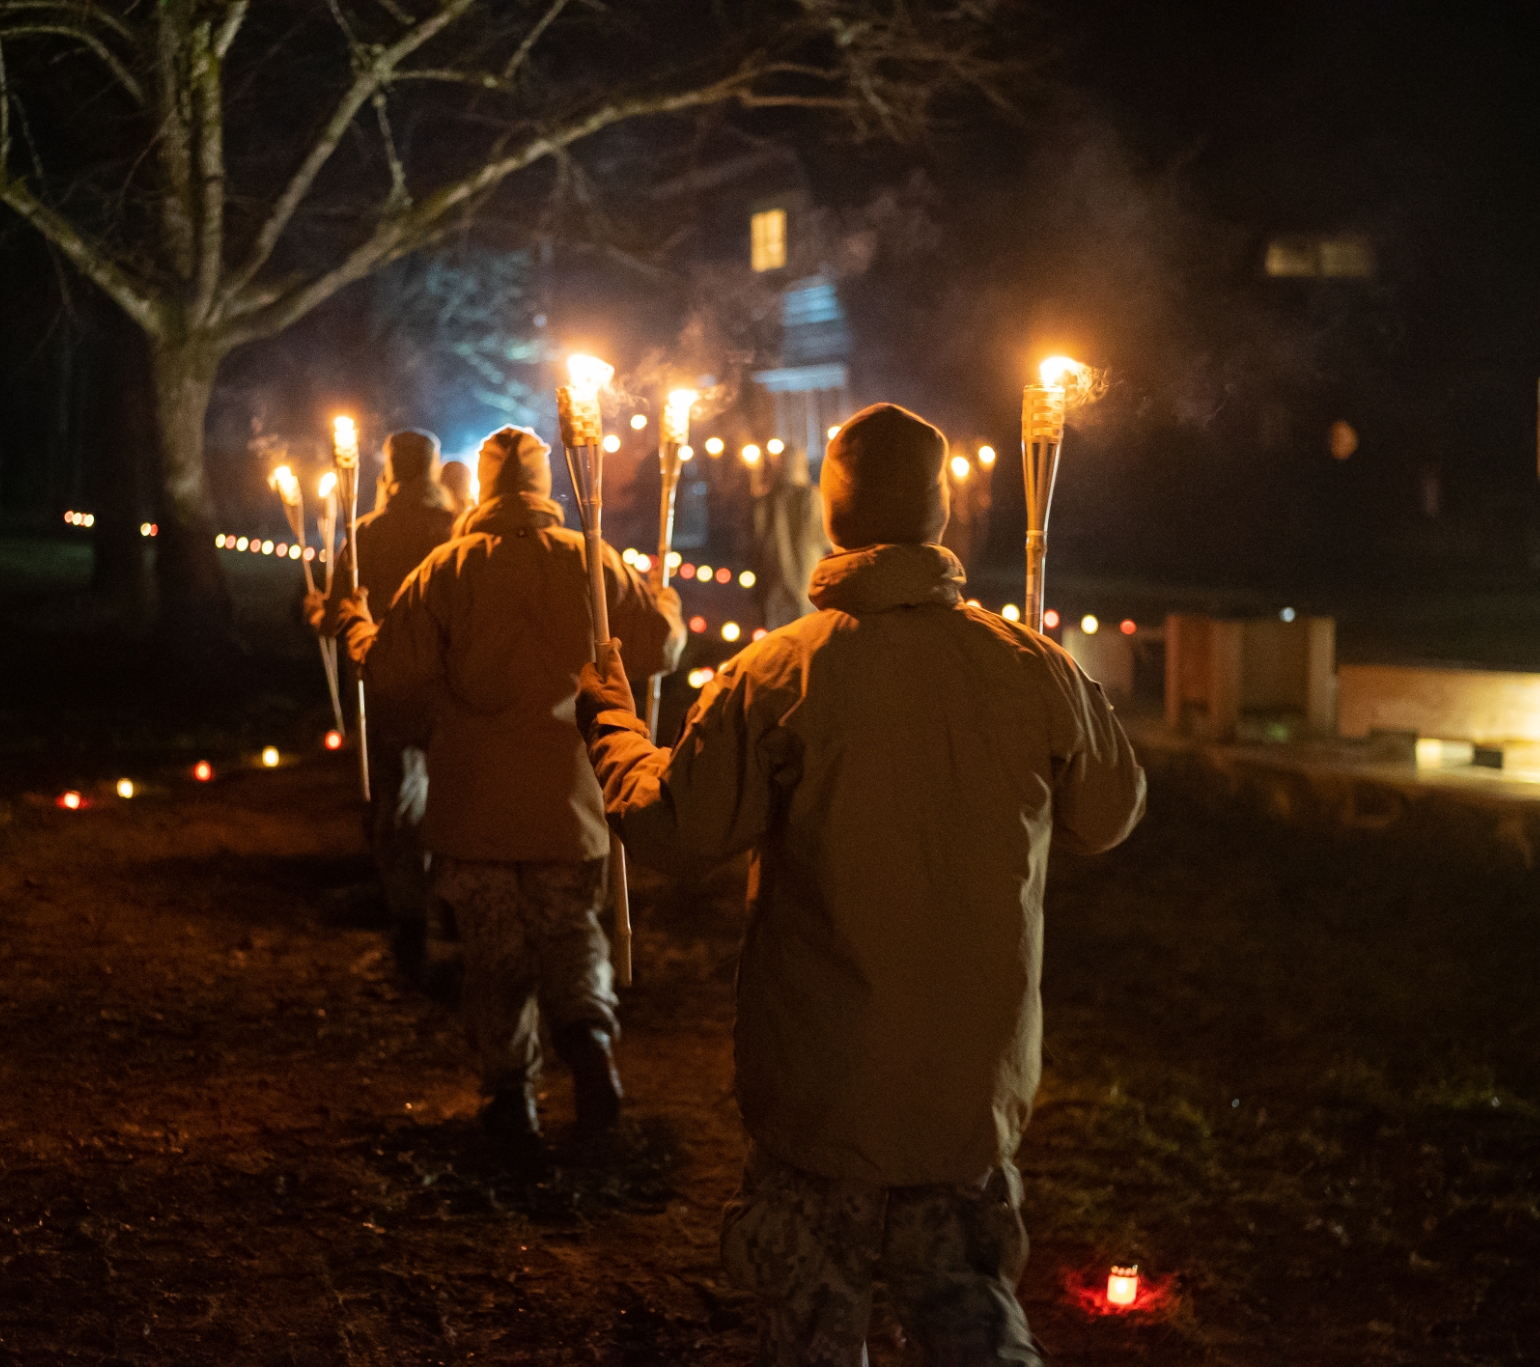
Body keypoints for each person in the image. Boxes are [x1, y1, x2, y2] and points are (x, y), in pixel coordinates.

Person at [574, 403, 1147, 1364]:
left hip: (821, 1090)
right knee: (968, 1308)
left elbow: (677, 824)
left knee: (813, 1324)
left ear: (832, 518)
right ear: (943, 513)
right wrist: (1064, 691)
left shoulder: (779, 673)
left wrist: (613, 724)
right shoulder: (1028, 667)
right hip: (970, 1083)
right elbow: (1110, 812)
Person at [326, 425, 685, 1141]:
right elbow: (656, 648)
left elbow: (392, 668)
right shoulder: (593, 561)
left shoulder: (448, 568)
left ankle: (512, 1094)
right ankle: (587, 1037)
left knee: (495, 949)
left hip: (474, 802)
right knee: (569, 927)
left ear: (485, 485)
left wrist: (356, 627)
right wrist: (665, 603)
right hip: (568, 796)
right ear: (547, 483)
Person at [311, 430, 459, 972]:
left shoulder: (368, 533)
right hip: (448, 692)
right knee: (452, 802)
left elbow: (339, 612)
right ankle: (453, 909)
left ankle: (410, 920)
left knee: (399, 809)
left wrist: (322, 612)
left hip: (390, 689)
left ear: (390, 470)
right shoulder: (455, 531)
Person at [748, 441, 830, 628]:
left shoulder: (768, 498)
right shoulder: (812, 495)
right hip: (804, 579)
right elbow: (823, 538)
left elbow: (757, 537)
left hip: (775, 579)